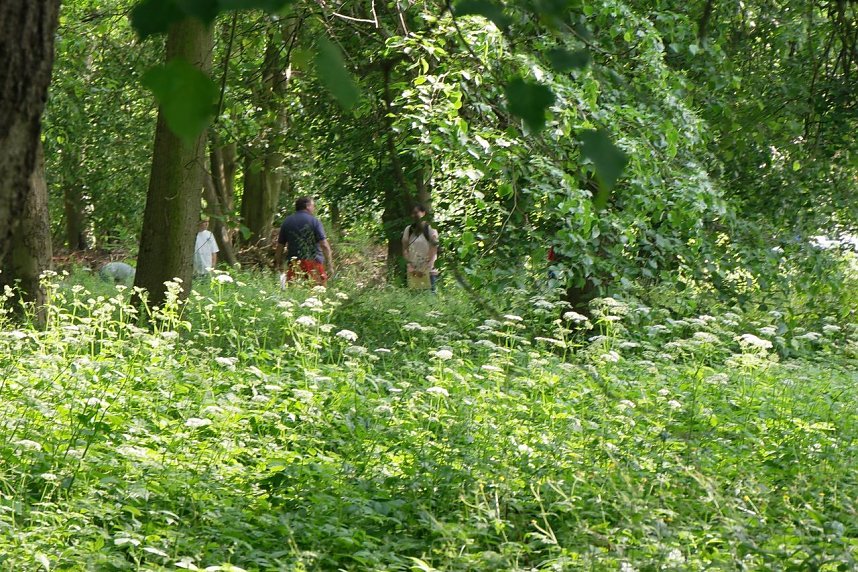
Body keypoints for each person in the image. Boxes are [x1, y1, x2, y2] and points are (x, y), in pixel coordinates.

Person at [275, 196, 334, 285]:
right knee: (317, 294)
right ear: (307, 206)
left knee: (294, 294)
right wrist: (329, 265)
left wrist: (278, 264)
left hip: (294, 265)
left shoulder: (287, 222)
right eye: (313, 206)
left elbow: (280, 246)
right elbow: (324, 245)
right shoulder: (315, 221)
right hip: (314, 264)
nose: (314, 208)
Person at [402, 204, 439, 292]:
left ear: (423, 213)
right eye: (412, 213)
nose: (413, 216)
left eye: (416, 213)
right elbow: (405, 248)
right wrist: (409, 264)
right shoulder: (408, 230)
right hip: (413, 270)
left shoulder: (431, 228)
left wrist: (429, 264)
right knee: (415, 299)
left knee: (430, 299)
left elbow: (434, 248)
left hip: (429, 270)